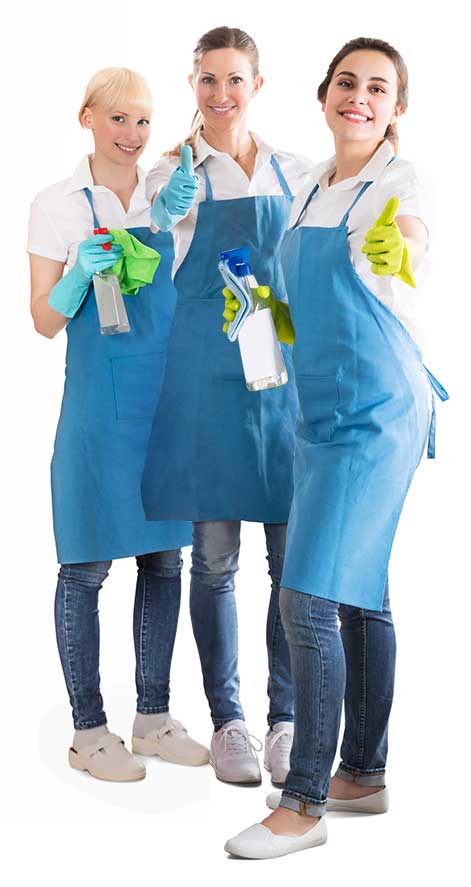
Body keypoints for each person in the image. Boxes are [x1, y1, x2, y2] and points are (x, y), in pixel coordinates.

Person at [224, 37, 448, 857]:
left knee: (306, 595)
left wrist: (405, 249)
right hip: (316, 413)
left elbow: (409, 241)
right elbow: (294, 315)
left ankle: (303, 802)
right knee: (358, 595)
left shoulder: (396, 181)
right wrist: (255, 310)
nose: (359, 97)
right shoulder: (312, 186)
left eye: (377, 88)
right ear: (323, 94)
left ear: (396, 110)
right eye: (346, 82)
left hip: (377, 411)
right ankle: (363, 770)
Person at [141, 27, 313, 786]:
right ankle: (230, 721)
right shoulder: (169, 174)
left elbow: (315, 277)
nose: (219, 95)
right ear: (192, 84)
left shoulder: (294, 172)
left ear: (257, 84)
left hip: (275, 378)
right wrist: (158, 213)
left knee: (288, 564)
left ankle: (286, 718)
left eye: (233, 80)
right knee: (212, 563)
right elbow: (144, 262)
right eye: (206, 80)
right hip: (203, 385)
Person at [28, 67, 208, 783]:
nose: (133, 135)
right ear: (86, 118)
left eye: (143, 121)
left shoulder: (164, 195)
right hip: (101, 412)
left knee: (166, 559)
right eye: (118, 120)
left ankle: (153, 717)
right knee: (86, 564)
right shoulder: (57, 204)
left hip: (165, 405)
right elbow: (43, 320)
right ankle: (88, 729)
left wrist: (176, 221)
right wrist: (75, 278)